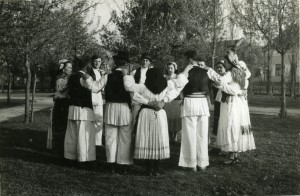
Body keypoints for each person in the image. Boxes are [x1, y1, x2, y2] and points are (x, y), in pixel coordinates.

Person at [123, 67, 190, 176]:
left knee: (147, 139)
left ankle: (148, 169)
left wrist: (128, 75)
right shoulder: (167, 85)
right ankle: (156, 169)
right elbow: (180, 85)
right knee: (159, 139)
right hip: (159, 114)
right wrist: (164, 100)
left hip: (146, 113)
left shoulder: (143, 87)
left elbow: (129, 88)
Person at [200, 54, 255, 164]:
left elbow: (220, 80)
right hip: (239, 103)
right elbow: (239, 86)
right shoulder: (240, 72)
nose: (224, 63)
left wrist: (208, 69)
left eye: (225, 61)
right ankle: (234, 155)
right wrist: (239, 91)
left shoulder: (230, 73)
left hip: (231, 103)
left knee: (231, 125)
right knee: (235, 126)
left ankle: (231, 156)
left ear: (230, 63)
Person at [64, 56, 104, 165]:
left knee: (72, 135)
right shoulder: (85, 77)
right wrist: (105, 77)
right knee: (84, 136)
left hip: (73, 109)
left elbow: (64, 91)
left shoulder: (71, 77)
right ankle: (84, 159)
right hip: (83, 110)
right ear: (87, 66)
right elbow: (95, 89)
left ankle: (70, 158)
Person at [178, 51, 211, 171]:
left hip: (191, 102)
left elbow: (179, 84)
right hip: (202, 103)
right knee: (202, 134)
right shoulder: (206, 71)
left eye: (185, 59)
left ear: (190, 59)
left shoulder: (187, 71)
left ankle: (191, 164)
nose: (184, 61)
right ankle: (202, 163)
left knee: (189, 134)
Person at [103, 50, 133, 174]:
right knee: (125, 137)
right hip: (124, 108)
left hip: (111, 107)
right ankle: (123, 164)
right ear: (125, 64)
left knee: (110, 137)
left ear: (116, 62)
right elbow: (133, 94)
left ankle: (111, 164)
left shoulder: (108, 76)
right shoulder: (129, 78)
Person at [51, 61, 72, 156]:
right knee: (59, 125)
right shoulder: (60, 78)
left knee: (65, 126)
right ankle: (58, 149)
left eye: (71, 67)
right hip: (60, 104)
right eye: (69, 67)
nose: (70, 69)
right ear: (64, 69)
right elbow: (60, 90)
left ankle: (64, 148)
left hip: (66, 103)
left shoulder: (69, 77)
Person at [88, 55, 105, 146]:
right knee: (91, 121)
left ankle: (98, 143)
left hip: (99, 99)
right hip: (91, 99)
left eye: (99, 61)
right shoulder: (89, 72)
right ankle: (90, 141)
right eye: (95, 61)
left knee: (99, 121)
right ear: (92, 62)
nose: (97, 63)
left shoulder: (102, 73)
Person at [163, 62, 182, 142]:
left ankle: (175, 135)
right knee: (169, 117)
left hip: (177, 99)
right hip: (167, 99)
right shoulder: (164, 77)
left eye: (172, 68)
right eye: (168, 68)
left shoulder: (178, 77)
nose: (170, 70)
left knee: (176, 118)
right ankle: (170, 135)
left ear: (175, 69)